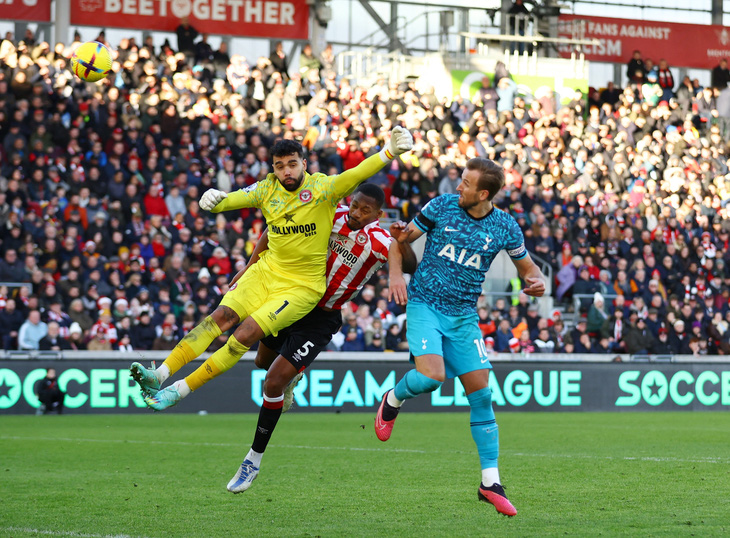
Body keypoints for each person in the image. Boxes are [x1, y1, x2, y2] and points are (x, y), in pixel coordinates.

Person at [131, 127, 414, 414]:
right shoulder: (267, 189)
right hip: (267, 272)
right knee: (218, 318)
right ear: (273, 169)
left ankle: (178, 392)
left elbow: (355, 174)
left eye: (292, 163)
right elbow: (234, 202)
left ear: (303, 163)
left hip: (302, 287)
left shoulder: (324, 190)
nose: (286, 171)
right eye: (280, 166)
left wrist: (387, 152)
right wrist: (216, 201)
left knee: (244, 335)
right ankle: (160, 375)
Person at [375, 157, 546, 517]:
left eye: (466, 184)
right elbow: (398, 241)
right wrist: (395, 276)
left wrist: (537, 283)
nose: (458, 187)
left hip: (464, 317)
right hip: (425, 304)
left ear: (483, 193)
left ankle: (490, 483)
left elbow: (529, 269)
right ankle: (393, 397)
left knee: (482, 396)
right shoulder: (441, 207)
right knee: (432, 378)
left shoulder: (505, 227)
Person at [225, 184, 417, 494]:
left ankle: (252, 460)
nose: (356, 213)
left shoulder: (380, 240)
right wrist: (248, 269)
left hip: (321, 318)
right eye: (354, 205)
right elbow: (275, 231)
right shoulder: (330, 216)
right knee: (261, 362)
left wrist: (400, 244)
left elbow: (408, 263)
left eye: (365, 211)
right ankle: (293, 378)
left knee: (271, 383)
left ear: (378, 215)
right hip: (290, 298)